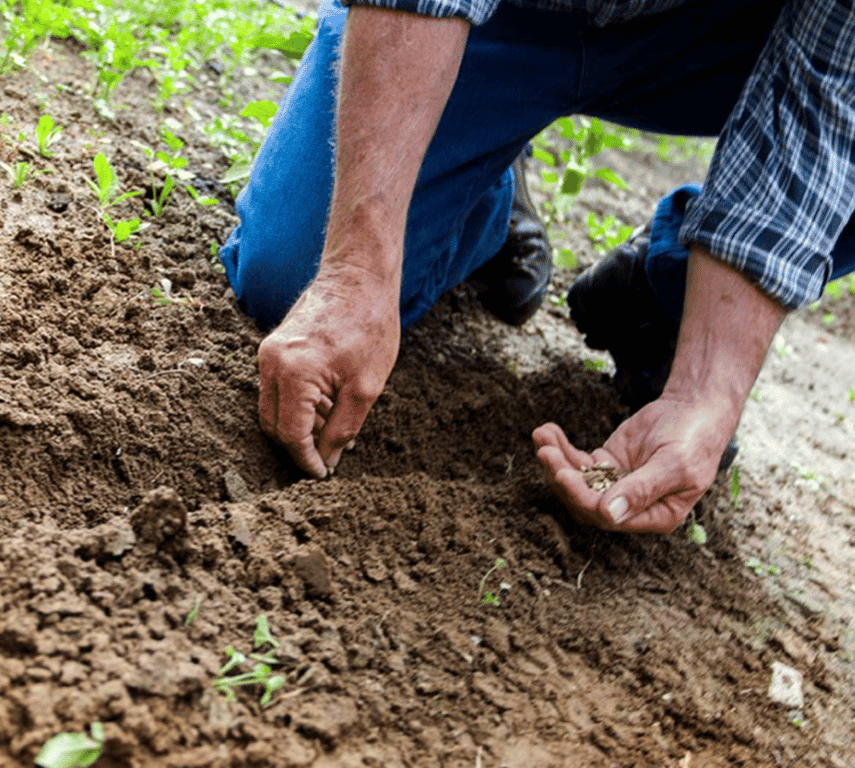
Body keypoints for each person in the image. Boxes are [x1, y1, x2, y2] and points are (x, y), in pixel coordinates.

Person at [219, 0, 855, 533]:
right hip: (507, 14)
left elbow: (827, 96)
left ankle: (672, 291)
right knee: (291, 274)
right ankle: (482, 185)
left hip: (720, 36)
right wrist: (356, 270)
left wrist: (705, 392)